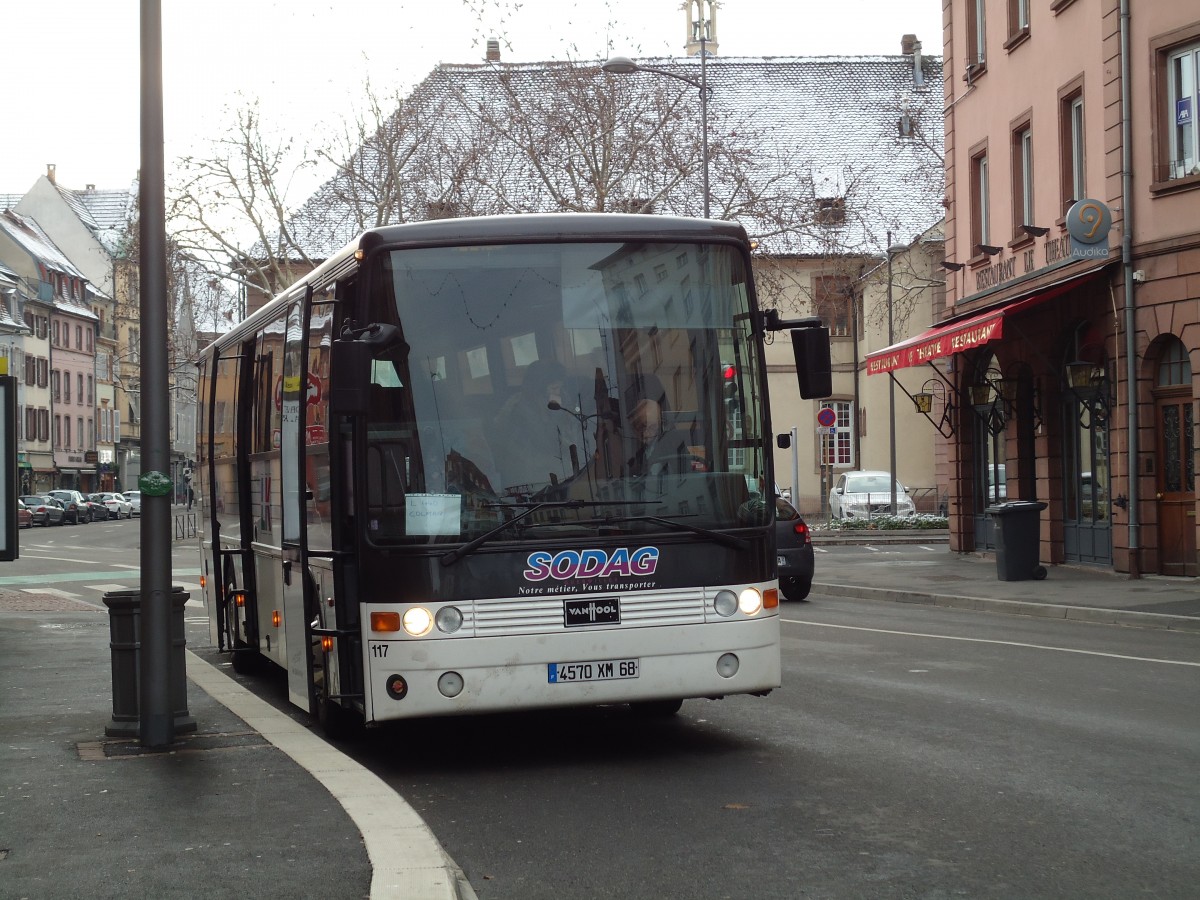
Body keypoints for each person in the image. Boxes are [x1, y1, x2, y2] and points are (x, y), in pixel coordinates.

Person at [493, 359, 575, 495]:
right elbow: (546, 444)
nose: (559, 392)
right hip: (533, 486)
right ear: (538, 389)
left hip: (562, 478)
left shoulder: (559, 400)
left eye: (560, 387)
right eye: (554, 388)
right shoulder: (518, 410)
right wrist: (555, 414)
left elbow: (573, 437)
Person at [626, 397, 690, 478]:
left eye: (649, 426)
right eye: (638, 427)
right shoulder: (639, 455)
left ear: (658, 422)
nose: (644, 432)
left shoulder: (671, 441)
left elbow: (685, 470)